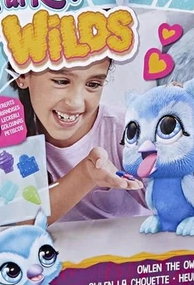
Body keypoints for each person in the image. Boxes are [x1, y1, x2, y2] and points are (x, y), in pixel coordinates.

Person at [11, 58, 147, 223]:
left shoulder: (125, 129)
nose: (75, 103)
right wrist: (86, 174)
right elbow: (23, 222)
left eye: (93, 84)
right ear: (23, 75)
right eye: (61, 81)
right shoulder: (8, 139)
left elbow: (166, 202)